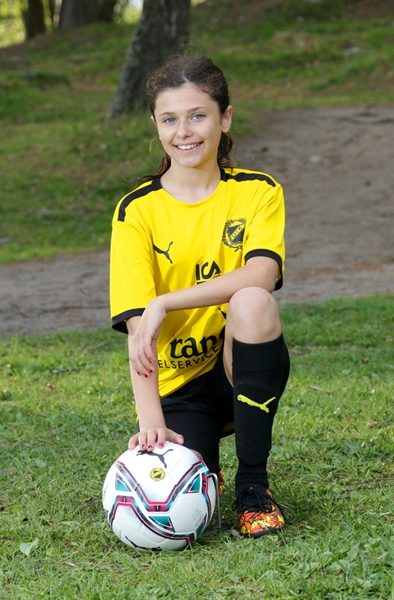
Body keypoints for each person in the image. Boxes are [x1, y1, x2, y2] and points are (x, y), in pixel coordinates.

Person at [109, 54, 290, 538]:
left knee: (253, 302)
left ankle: (253, 488)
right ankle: (209, 465)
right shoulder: (136, 211)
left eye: (197, 116)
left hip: (236, 366)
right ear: (156, 125)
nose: (184, 132)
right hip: (177, 382)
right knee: (191, 484)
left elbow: (263, 273)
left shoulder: (257, 191)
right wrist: (151, 420)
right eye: (169, 119)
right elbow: (139, 331)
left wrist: (166, 301)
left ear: (224, 118)